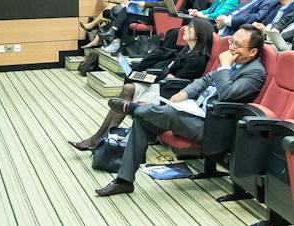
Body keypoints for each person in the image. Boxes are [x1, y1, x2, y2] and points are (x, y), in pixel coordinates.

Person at [96, 24, 267, 196]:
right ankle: (124, 181)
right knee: (142, 121)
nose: (231, 48)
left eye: (237, 45)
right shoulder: (233, 63)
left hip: (210, 126)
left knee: (166, 113)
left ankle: (134, 108)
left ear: (252, 52)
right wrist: (184, 93)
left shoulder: (254, 73)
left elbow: (226, 94)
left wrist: (224, 67)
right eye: (231, 41)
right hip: (193, 111)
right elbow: (204, 80)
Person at [71, 15, 214, 150]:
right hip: (164, 84)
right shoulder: (187, 50)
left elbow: (177, 80)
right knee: (128, 87)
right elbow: (168, 71)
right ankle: (100, 138)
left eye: (190, 27)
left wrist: (164, 74)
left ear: (198, 34)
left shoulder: (197, 58)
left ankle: (100, 139)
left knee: (128, 89)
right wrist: (160, 74)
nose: (185, 29)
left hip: (170, 94)